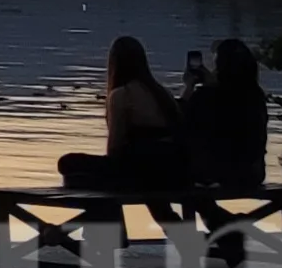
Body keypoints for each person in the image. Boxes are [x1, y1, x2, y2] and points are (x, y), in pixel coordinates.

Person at [55, 35, 188, 194]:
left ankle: (103, 211)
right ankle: (169, 218)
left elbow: (115, 147)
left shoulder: (121, 94)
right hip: (172, 166)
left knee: (67, 163)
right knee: (154, 198)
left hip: (139, 169)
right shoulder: (162, 92)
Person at [181, 39, 271, 195]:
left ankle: (218, 219)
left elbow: (180, 119)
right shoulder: (256, 95)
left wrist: (189, 87)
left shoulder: (205, 97)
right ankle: (219, 218)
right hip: (252, 173)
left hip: (212, 173)